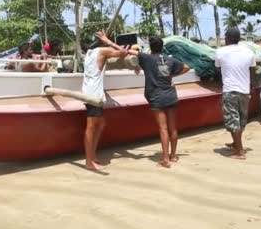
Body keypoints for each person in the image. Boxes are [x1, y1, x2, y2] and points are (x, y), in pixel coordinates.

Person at [127, 36, 191, 168]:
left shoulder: (147, 58)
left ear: (151, 47)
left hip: (157, 96)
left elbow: (129, 52)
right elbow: (186, 67)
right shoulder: (170, 59)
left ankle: (165, 159)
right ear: (162, 47)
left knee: (163, 128)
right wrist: (171, 75)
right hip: (171, 95)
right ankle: (173, 155)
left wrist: (107, 41)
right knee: (172, 127)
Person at [82, 31, 130, 171]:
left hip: (90, 91)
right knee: (91, 128)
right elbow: (123, 52)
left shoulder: (89, 53)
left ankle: (92, 156)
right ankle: (89, 161)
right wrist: (108, 41)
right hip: (94, 94)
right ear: (102, 41)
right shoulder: (102, 50)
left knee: (100, 124)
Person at [215, 28, 256, 160]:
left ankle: (240, 152)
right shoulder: (249, 52)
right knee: (241, 121)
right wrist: (251, 87)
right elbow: (252, 71)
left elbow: (217, 70)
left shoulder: (220, 52)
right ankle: (235, 143)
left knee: (233, 120)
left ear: (227, 39)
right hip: (245, 91)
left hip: (230, 90)